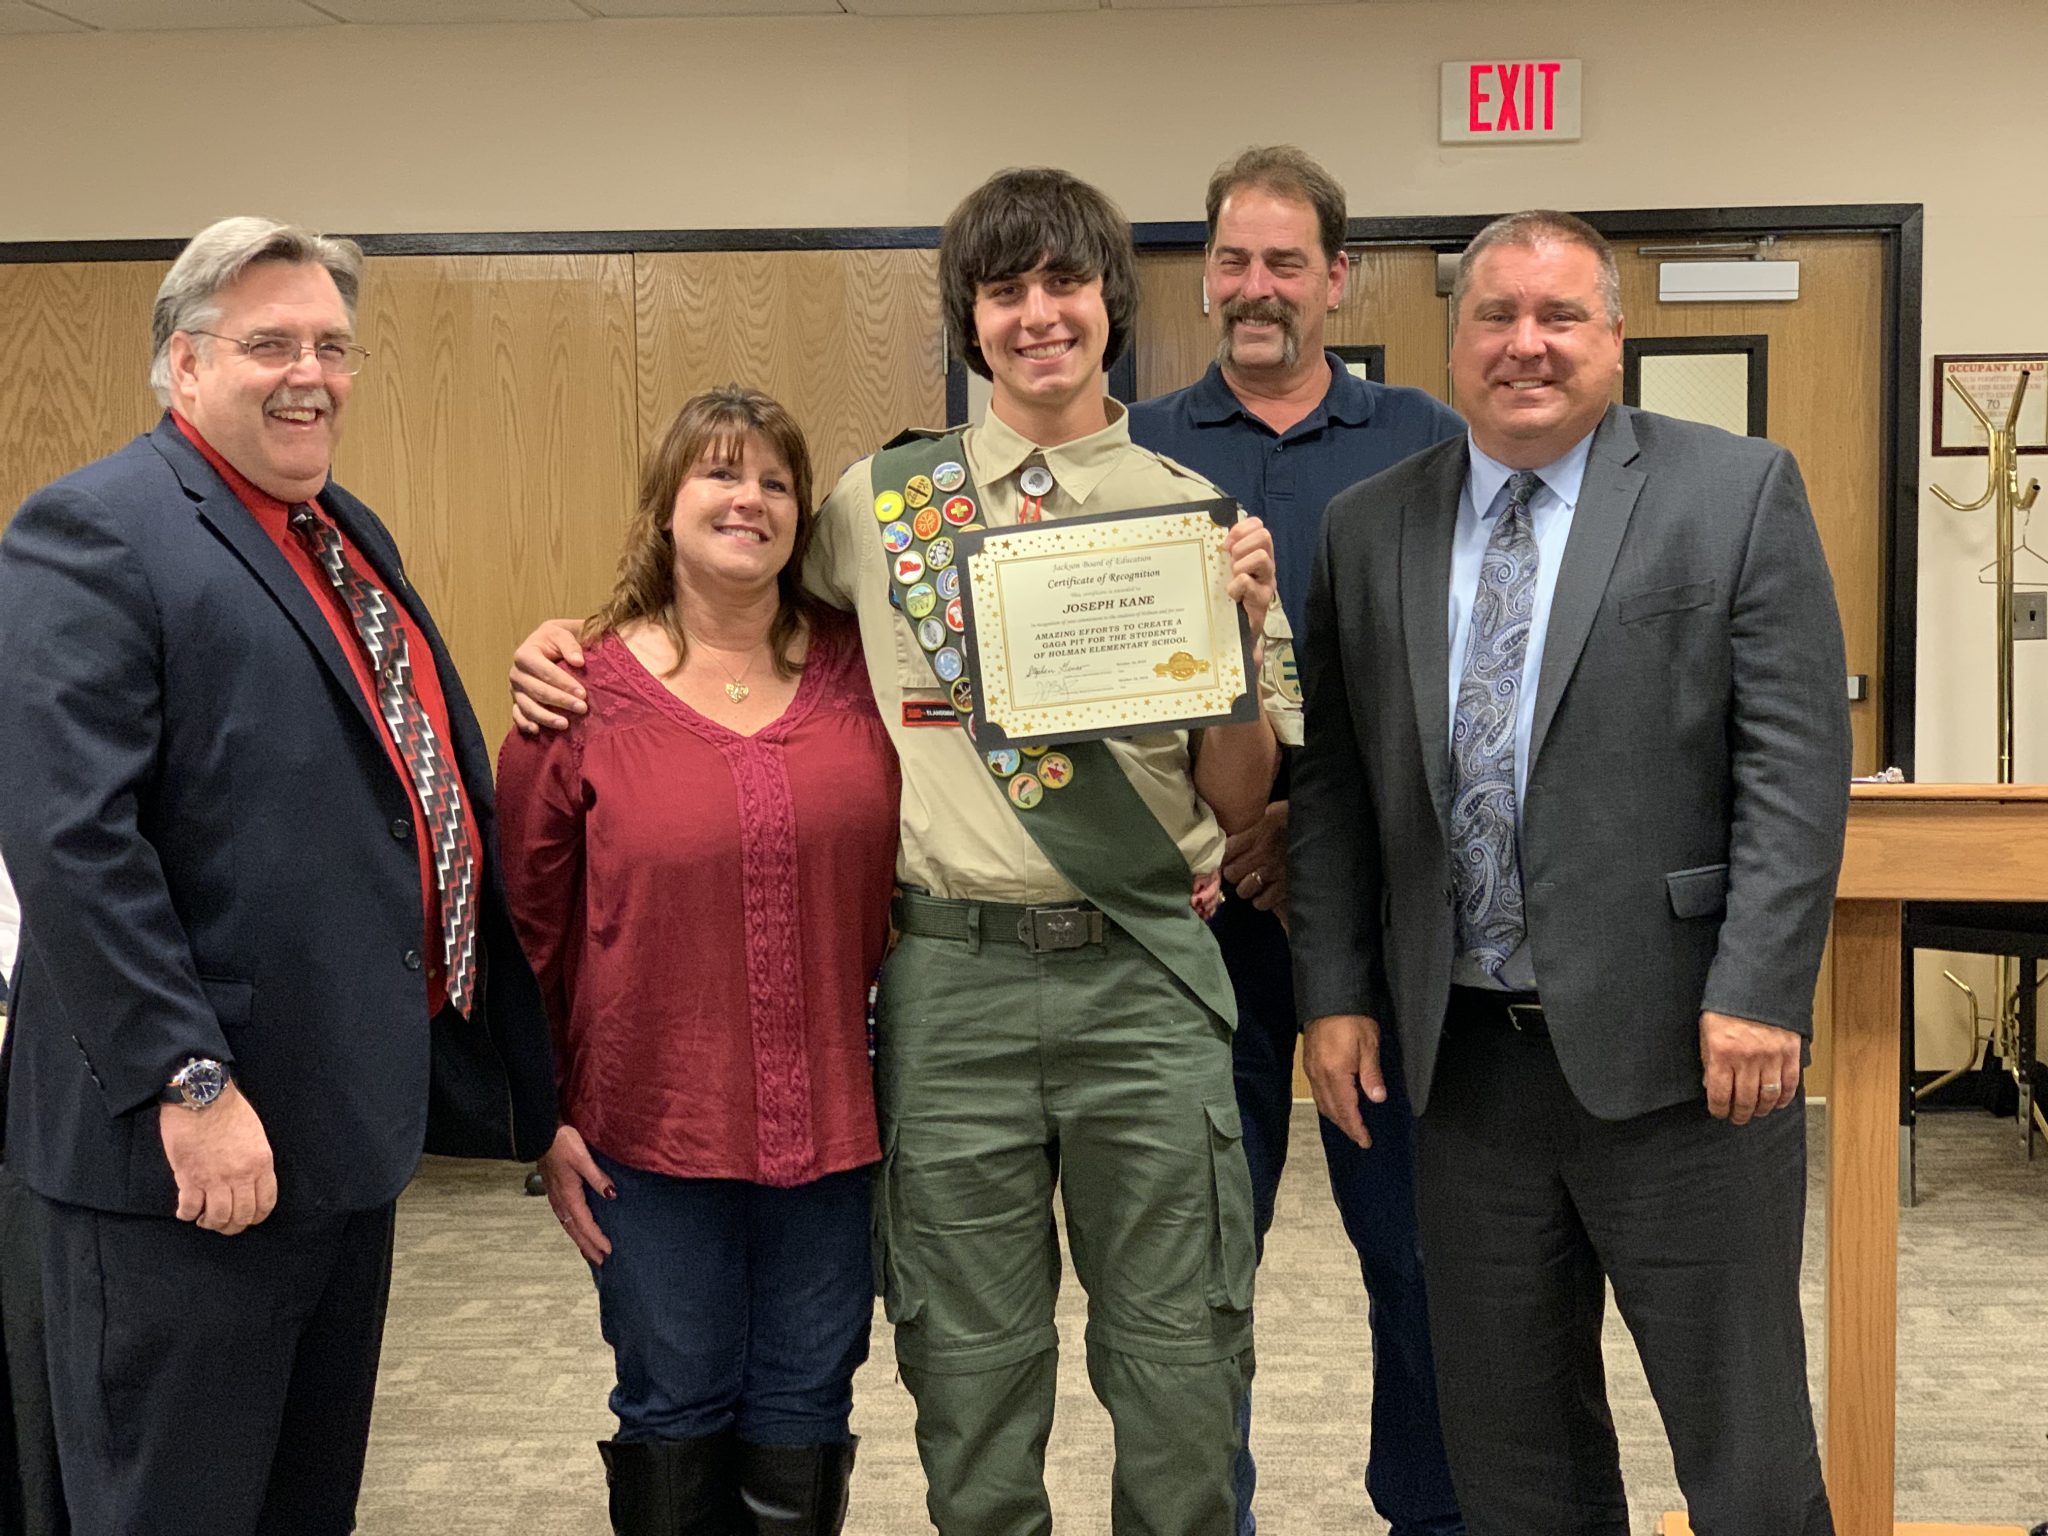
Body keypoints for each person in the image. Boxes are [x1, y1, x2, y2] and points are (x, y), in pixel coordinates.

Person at [511, 166, 1295, 1536]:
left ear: (1111, 302)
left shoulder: (1198, 517)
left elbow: (1239, 802)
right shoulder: (886, 507)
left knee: (1179, 1363)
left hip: (1144, 983)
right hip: (952, 986)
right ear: (970, 319)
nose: (1039, 316)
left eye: (1064, 284)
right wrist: (569, 646)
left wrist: (1232, 648)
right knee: (971, 1373)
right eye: (1006, 292)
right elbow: (731, 602)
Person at [1289, 208, 1848, 1536]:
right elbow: (1335, 790)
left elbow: (1794, 763)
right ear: (1454, 335)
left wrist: (1762, 988)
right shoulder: (1373, 529)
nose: (1526, 346)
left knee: (1745, 1452)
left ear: (1613, 338)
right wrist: (1335, 990)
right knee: (1515, 1455)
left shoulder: (1734, 489)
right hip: (1466, 1069)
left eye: (1559, 318)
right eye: (1497, 316)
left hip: (1685, 1058)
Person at [0, 217, 557, 1536]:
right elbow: (75, 840)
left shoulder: (335, 531)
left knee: (298, 1504)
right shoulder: (95, 530)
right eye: (269, 345)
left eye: (333, 345)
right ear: (182, 367)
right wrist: (185, 1081)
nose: (311, 373)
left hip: (336, 1141)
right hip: (182, 1160)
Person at [1124, 145, 1464, 1536]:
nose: (1254, 288)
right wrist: (1235, 827)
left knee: (1422, 1265)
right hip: (1193, 939)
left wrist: (1298, 827)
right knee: (1198, 1277)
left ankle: (1435, 1514)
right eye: (1232, 259)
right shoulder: (1130, 445)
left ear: (1337, 276)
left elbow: (1458, 680)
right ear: (1205, 271)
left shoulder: (1428, 439)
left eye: (1285, 261)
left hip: (1379, 937)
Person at [495, 386, 898, 1536]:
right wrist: (543, 1117)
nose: (748, 500)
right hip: (646, 1134)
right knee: (673, 1399)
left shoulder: (864, 674)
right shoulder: (572, 693)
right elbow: (527, 931)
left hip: (836, 1127)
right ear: (664, 506)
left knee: (807, 1396)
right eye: (719, 474)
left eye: (774, 481)